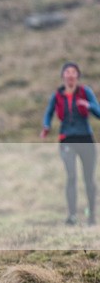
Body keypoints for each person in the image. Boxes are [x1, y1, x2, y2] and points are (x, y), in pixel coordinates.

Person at [41, 62, 100, 226]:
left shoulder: (85, 92)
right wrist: (46, 126)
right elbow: (48, 113)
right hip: (67, 139)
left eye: (73, 72)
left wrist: (88, 105)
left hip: (86, 139)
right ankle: (72, 215)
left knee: (89, 179)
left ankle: (92, 215)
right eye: (67, 72)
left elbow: (98, 112)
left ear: (77, 76)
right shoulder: (57, 95)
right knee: (71, 176)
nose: (70, 74)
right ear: (63, 76)